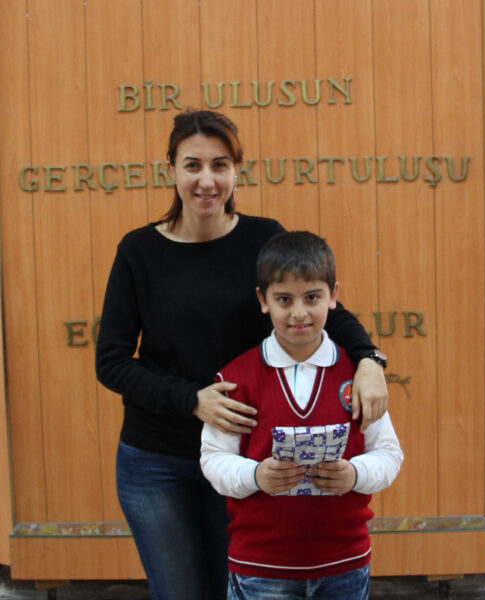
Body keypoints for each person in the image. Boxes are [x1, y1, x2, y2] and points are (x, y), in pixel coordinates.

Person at [95, 109, 389, 600]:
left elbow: (321, 308)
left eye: (220, 165)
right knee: (179, 592)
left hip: (244, 452)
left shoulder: (261, 238)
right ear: (171, 170)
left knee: (237, 587)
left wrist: (369, 360)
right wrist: (192, 399)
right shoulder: (138, 251)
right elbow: (112, 362)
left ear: (236, 171)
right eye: (192, 165)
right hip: (156, 460)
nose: (206, 180)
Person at [200, 231, 403, 600]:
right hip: (260, 567)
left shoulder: (359, 377)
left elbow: (389, 454)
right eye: (284, 299)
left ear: (333, 296)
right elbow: (213, 460)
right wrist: (256, 475)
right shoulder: (235, 379)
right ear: (263, 300)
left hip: (345, 563)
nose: (299, 313)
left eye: (312, 297)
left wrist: (355, 474)